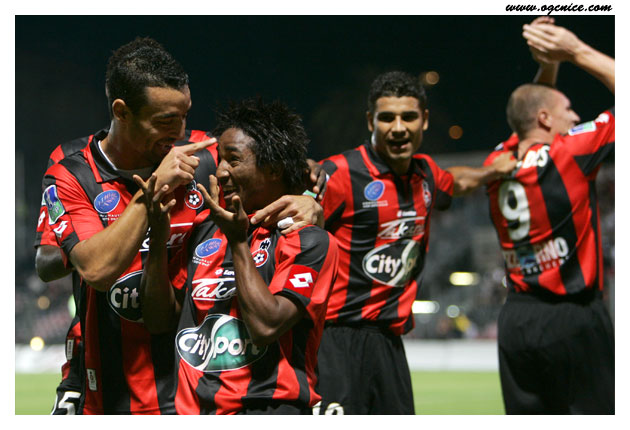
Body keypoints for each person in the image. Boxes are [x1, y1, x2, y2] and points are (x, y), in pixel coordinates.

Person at [40, 38, 322, 414]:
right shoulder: (72, 173)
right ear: (122, 112)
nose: (178, 131)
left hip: (196, 389)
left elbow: (278, 169)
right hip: (111, 386)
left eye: (184, 115)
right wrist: (154, 188)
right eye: (164, 121)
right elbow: (97, 270)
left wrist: (308, 198)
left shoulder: (205, 156)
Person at [296, 70, 516, 414]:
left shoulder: (426, 174)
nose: (398, 127)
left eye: (408, 117)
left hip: (389, 343)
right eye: (387, 118)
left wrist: (492, 171)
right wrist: (301, 177)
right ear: (370, 121)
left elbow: (456, 181)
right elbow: (299, 198)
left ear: (424, 120)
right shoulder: (339, 174)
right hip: (335, 340)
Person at [137, 98, 338, 414]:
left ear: (273, 168)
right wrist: (159, 240)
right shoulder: (204, 228)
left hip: (268, 410)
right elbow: (158, 320)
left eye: (233, 160)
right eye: (220, 159)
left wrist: (238, 242)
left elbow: (266, 327)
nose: (220, 171)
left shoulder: (308, 240)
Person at [484, 21, 614, 414]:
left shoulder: (497, 161)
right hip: (572, 316)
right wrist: (574, 50)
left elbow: (526, 112)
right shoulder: (568, 153)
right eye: (568, 110)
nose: (575, 117)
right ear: (545, 119)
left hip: (517, 320)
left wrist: (548, 62)